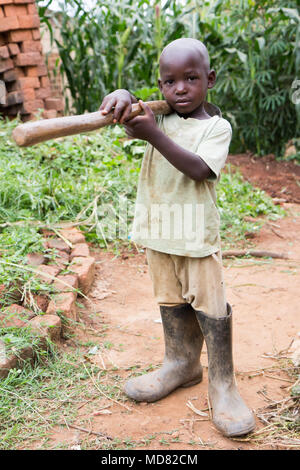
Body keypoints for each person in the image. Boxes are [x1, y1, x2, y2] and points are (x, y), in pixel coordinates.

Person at [99, 38, 255, 438]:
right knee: (169, 299)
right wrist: (122, 96)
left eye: (191, 78)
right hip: (159, 233)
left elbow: (199, 170)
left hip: (196, 237)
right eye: (169, 82)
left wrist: (152, 133)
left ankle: (223, 385)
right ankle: (181, 364)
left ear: (210, 79)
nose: (180, 89)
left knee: (210, 306)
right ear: (160, 86)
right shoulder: (158, 117)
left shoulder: (215, 127)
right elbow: (131, 107)